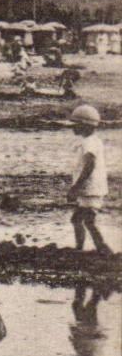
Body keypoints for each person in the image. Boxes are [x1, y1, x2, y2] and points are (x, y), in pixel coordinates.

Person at [65, 104, 110, 254]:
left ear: (84, 126)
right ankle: (90, 249)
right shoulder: (92, 140)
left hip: (90, 190)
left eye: (75, 124)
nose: (72, 128)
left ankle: (98, 250)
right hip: (91, 190)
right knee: (83, 220)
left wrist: (76, 187)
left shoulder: (89, 143)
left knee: (84, 220)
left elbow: (90, 165)